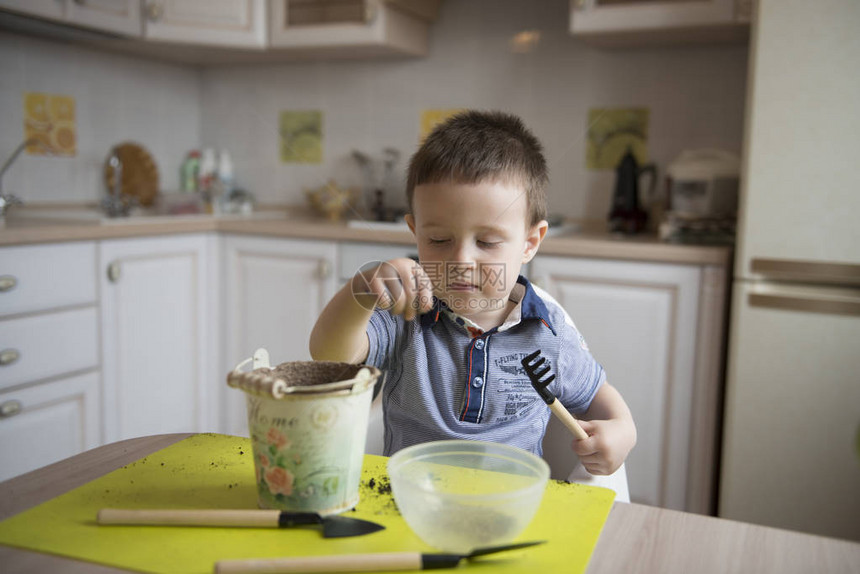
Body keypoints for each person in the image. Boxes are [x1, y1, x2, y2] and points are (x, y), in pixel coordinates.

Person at [310, 110, 636, 478]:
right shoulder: (407, 315)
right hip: (409, 506)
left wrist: (623, 429)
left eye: (487, 241)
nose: (462, 260)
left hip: (511, 514)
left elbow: (597, 398)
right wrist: (362, 288)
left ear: (530, 243)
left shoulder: (546, 331)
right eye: (439, 240)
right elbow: (329, 354)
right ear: (415, 232)